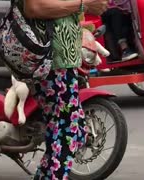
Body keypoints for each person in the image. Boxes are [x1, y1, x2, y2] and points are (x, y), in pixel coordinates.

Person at [22, 0, 108, 179]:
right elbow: (34, 7)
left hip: (62, 60)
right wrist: (84, 5)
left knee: (72, 131)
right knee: (67, 132)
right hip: (49, 60)